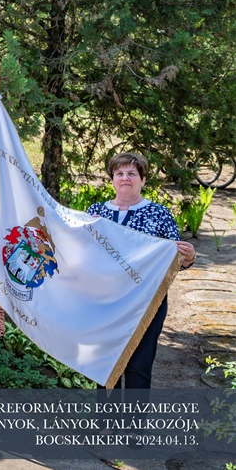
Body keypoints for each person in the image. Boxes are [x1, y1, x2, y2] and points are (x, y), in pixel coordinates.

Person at [87, 152, 196, 389]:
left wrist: (188, 258)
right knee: (106, 364)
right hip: (105, 301)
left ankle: (134, 426)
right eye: (119, 173)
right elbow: (83, 254)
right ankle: (108, 423)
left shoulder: (159, 214)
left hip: (147, 302)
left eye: (132, 174)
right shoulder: (96, 212)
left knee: (139, 365)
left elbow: (173, 261)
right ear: (112, 179)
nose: (125, 178)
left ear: (143, 180)